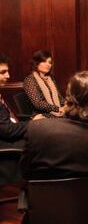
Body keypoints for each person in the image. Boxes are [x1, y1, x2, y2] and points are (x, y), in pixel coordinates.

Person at [0, 54, 43, 185]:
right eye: (3, 72)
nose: (8, 76)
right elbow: (6, 130)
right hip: (5, 146)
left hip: (9, 136)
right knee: (44, 143)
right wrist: (32, 123)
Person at [23, 50, 65, 118]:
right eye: (44, 61)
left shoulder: (51, 79)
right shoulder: (29, 80)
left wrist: (67, 105)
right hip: (41, 115)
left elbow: (60, 98)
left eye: (50, 62)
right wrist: (57, 109)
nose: (48, 65)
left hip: (55, 112)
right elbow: (38, 103)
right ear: (37, 63)